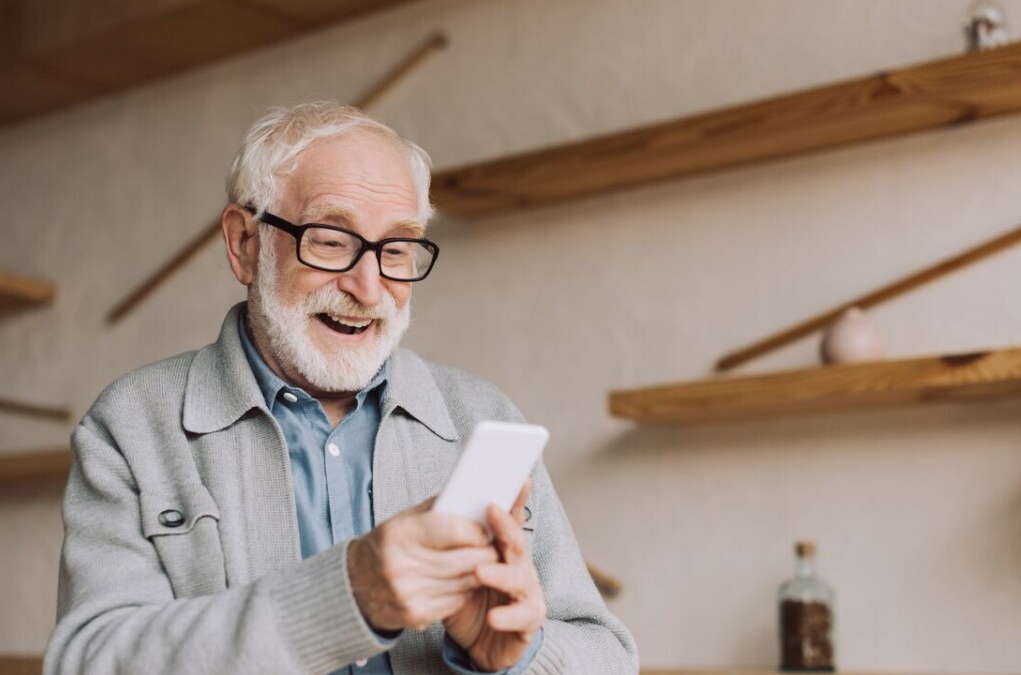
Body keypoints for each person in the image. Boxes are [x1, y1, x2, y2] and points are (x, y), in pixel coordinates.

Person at [44, 103, 638, 674]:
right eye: (331, 241)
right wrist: (351, 595)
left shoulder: (483, 415)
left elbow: (609, 657)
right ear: (244, 244)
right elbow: (89, 661)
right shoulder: (130, 424)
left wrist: (518, 656)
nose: (369, 287)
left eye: (398, 248)